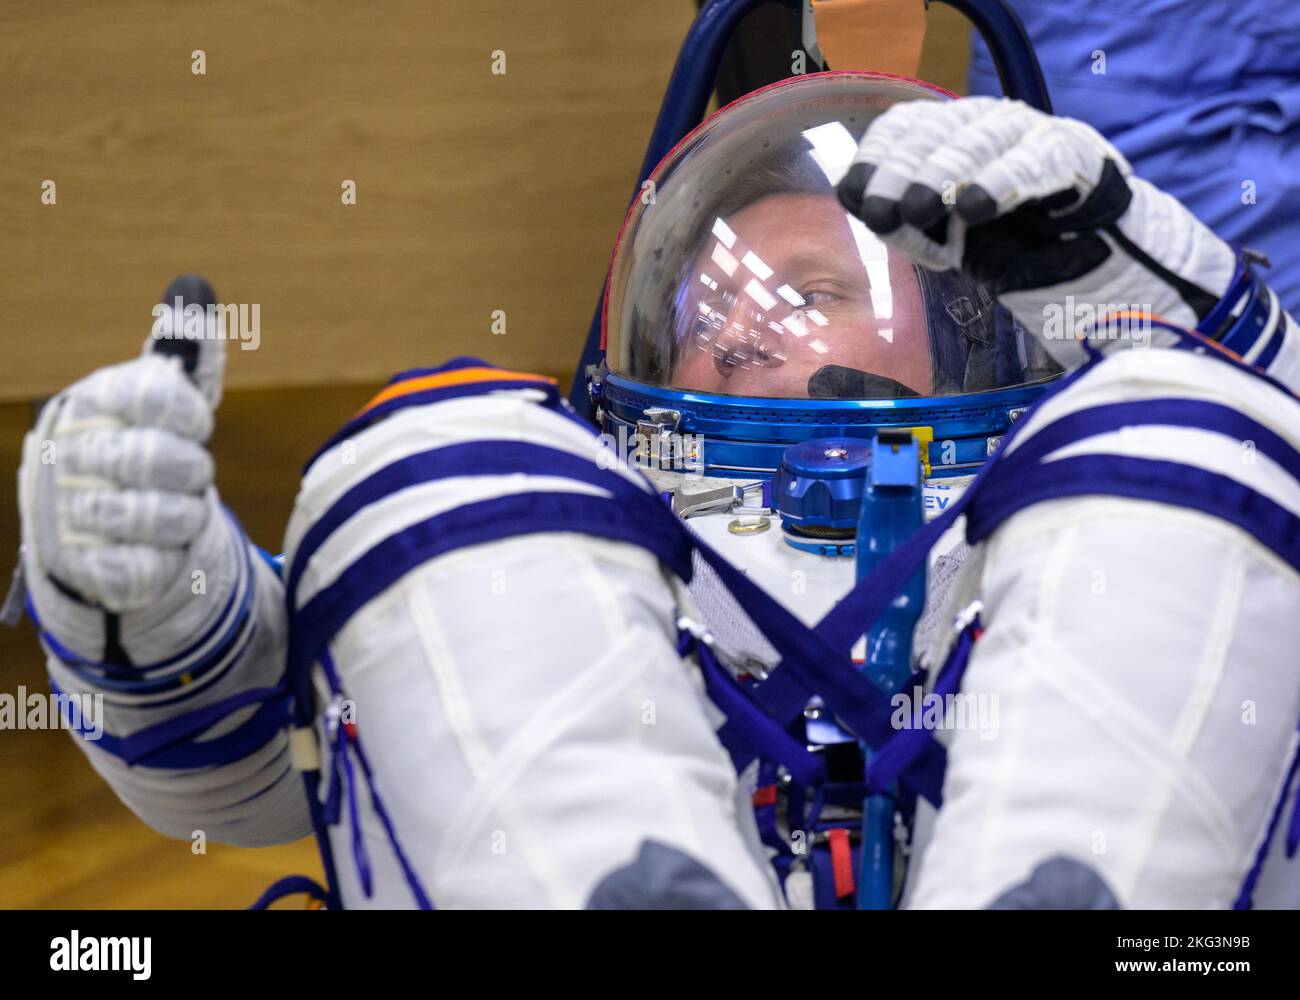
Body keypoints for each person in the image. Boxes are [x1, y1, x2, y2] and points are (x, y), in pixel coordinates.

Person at [15, 72, 1300, 909]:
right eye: (715, 310)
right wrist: (149, 606)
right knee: (432, 458)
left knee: (1204, 439)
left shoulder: (1089, 544)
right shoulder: (572, 568)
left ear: (962, 339)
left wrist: (1212, 332)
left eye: (812, 299)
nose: (741, 333)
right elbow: (248, 767)